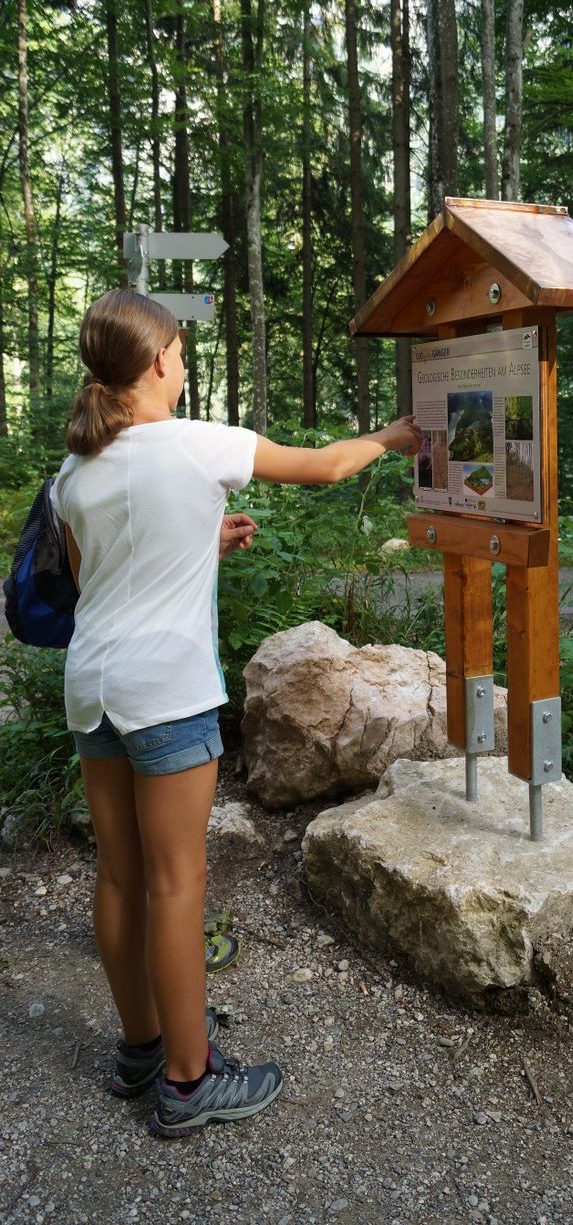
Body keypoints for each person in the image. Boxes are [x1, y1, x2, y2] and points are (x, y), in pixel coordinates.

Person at [53, 288, 421, 1137]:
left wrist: (202, 540)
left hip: (93, 687)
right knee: (178, 882)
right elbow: (326, 465)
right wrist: (394, 438)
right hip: (166, 693)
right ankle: (188, 1083)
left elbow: (92, 581)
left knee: (119, 874)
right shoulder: (194, 444)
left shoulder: (76, 469)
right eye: (178, 351)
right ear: (157, 362)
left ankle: (143, 1046)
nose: (182, 362)